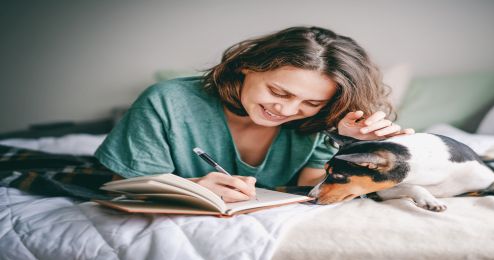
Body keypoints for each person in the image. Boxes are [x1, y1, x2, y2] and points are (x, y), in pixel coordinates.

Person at [94, 26, 414, 203]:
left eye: (311, 102)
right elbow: (123, 184)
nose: (287, 110)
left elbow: (312, 184)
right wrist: (194, 186)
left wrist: (350, 146)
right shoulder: (167, 100)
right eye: (278, 92)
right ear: (246, 66)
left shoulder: (321, 122)